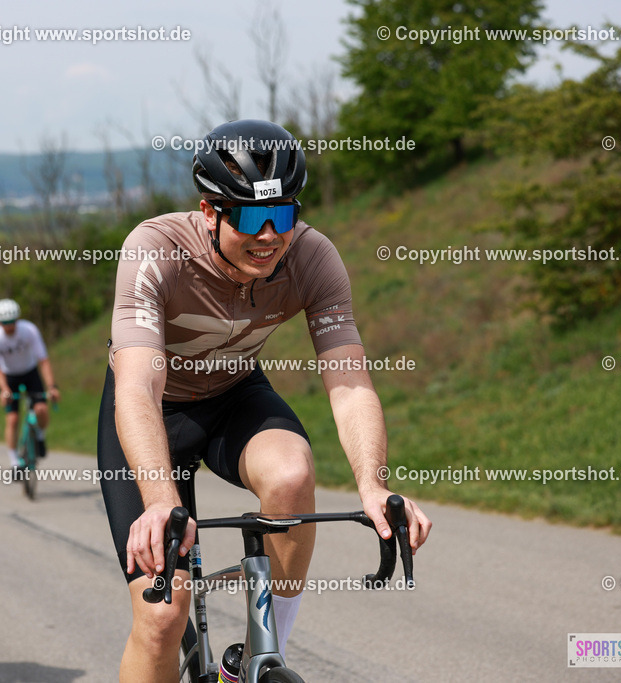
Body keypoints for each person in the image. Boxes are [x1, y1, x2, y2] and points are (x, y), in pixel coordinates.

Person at [97, 119, 432, 680]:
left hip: (234, 394)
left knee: (293, 475)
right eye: (251, 216)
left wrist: (373, 485)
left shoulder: (312, 256)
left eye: (283, 215)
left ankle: (259, 658)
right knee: (162, 618)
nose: (270, 235)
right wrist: (159, 499)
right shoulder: (155, 250)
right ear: (210, 212)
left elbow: (349, 380)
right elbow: (137, 385)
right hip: (156, 413)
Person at [0, 298, 60, 468]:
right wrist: (4, 389)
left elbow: (43, 360)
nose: (9, 327)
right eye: (5, 323)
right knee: (12, 419)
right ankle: (14, 462)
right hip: (9, 376)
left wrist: (52, 386)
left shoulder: (29, 330)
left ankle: (40, 436)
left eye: (13, 322)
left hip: (30, 372)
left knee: (41, 409)